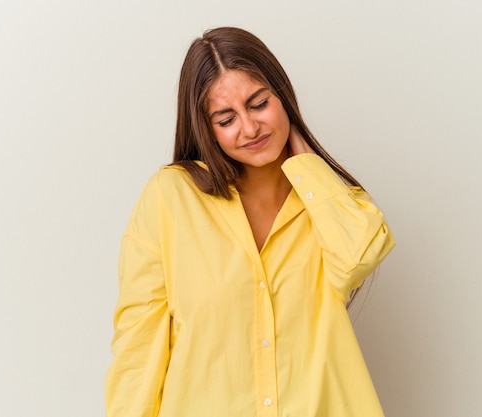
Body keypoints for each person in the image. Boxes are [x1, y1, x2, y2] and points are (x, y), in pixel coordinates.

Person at [105, 26, 395, 417]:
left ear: (282, 97)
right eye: (226, 119)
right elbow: (138, 349)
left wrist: (306, 165)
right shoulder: (169, 198)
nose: (250, 127)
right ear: (205, 129)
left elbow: (358, 260)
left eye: (259, 104)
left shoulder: (331, 205)